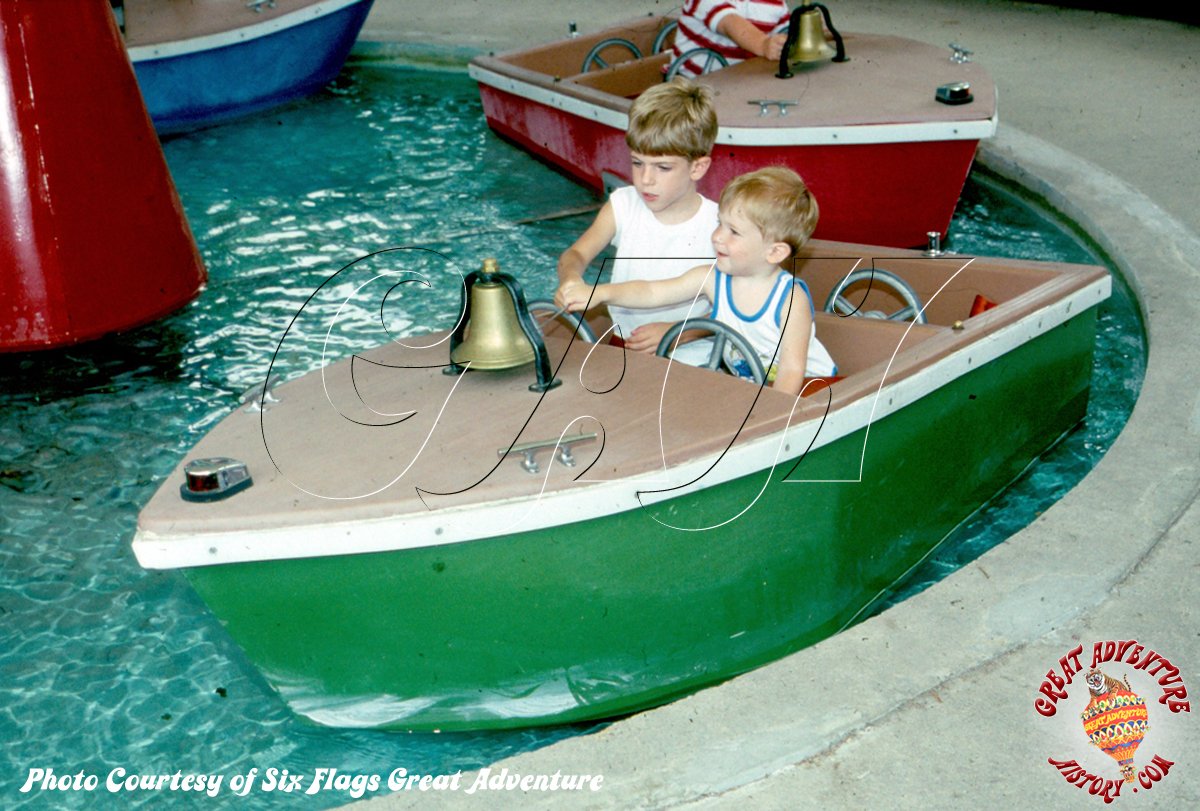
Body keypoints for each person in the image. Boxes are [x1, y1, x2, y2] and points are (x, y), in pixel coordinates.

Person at [561, 167, 835, 397]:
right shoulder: (713, 279)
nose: (717, 236)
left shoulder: (789, 299)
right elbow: (652, 291)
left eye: (733, 231)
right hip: (755, 381)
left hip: (808, 386)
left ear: (774, 252)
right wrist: (601, 293)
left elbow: (792, 369)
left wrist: (772, 416)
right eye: (719, 223)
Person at [554, 77, 719, 365]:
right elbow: (576, 254)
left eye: (662, 167)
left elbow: (737, 308)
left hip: (692, 355)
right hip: (625, 346)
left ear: (698, 167)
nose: (645, 179)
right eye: (637, 163)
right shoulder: (624, 205)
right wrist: (571, 280)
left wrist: (677, 332)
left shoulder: (719, 225)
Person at [670, 0, 791, 79]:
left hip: (739, 81)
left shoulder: (776, 3)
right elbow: (729, 24)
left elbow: (786, 32)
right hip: (690, 84)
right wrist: (763, 44)